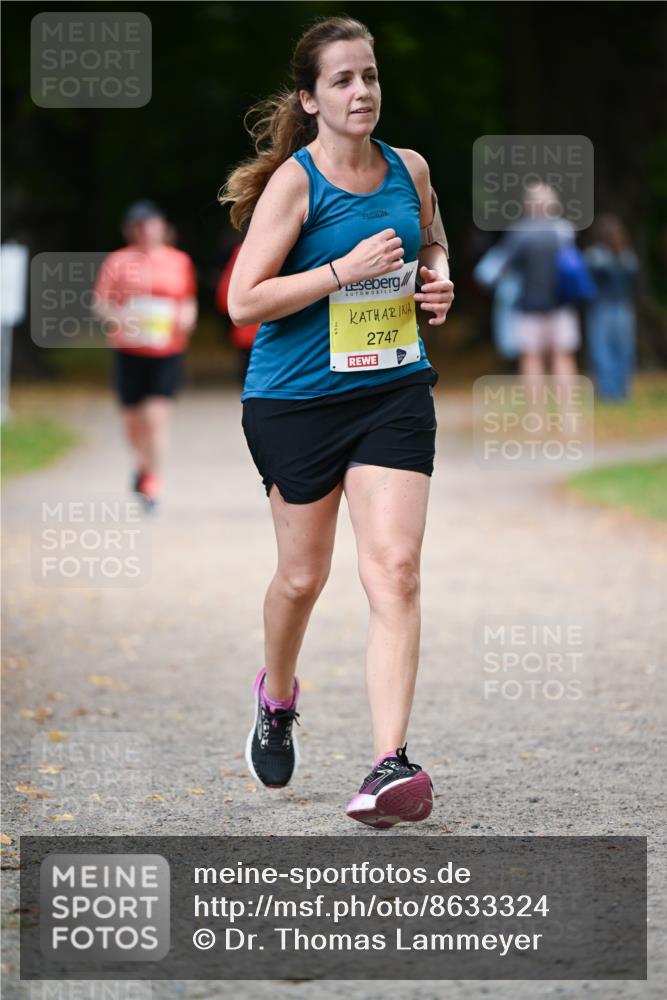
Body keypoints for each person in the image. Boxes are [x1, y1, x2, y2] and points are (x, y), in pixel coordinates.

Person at [219, 16, 454, 829]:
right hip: (295, 401)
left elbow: (430, 240)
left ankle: (390, 763)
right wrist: (337, 272)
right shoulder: (297, 182)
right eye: (343, 81)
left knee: (394, 570)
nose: (362, 92)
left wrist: (438, 282)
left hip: (391, 391)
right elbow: (242, 300)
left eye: (370, 76)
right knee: (301, 578)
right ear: (310, 99)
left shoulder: (408, 167)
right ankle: (276, 697)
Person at [94, 201, 198, 509]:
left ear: (162, 227)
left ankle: (153, 480)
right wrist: (119, 317)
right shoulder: (117, 261)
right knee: (132, 420)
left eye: (150, 223)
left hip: (167, 350)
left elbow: (188, 299)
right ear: (130, 230)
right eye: (138, 225)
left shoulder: (179, 261)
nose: (145, 230)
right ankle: (141, 464)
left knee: (156, 417)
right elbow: (100, 304)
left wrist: (187, 318)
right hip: (129, 349)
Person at [584, 214, 639, 401]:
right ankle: (623, 390)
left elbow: (586, 284)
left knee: (603, 350)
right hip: (624, 307)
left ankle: (608, 392)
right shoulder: (628, 257)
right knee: (623, 349)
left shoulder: (594, 256)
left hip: (601, 307)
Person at [216, 241, 259, 383]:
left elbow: (226, 296)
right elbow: (226, 296)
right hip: (251, 333)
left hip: (250, 331)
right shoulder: (244, 249)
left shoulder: (244, 249)